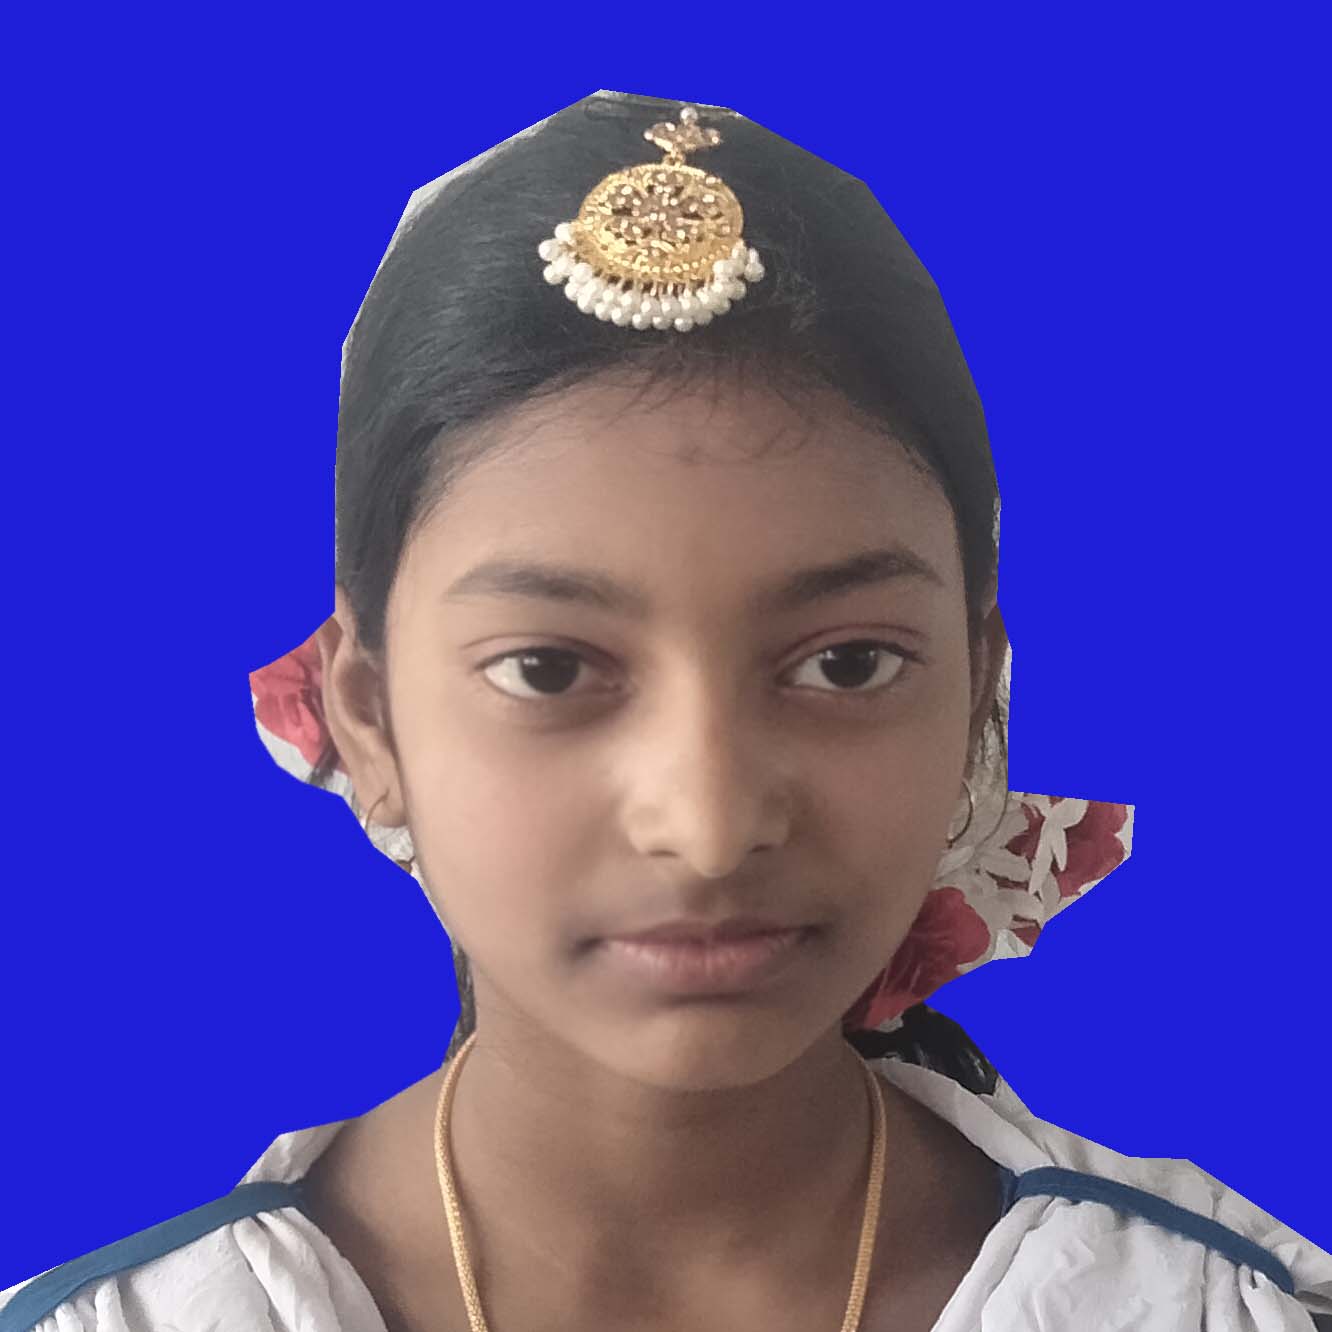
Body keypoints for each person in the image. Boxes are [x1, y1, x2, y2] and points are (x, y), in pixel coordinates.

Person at [3, 90, 1329, 1332]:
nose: (708, 826)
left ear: (979, 692)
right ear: (366, 715)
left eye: (848, 664)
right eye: (548, 669)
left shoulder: (1204, 1307)